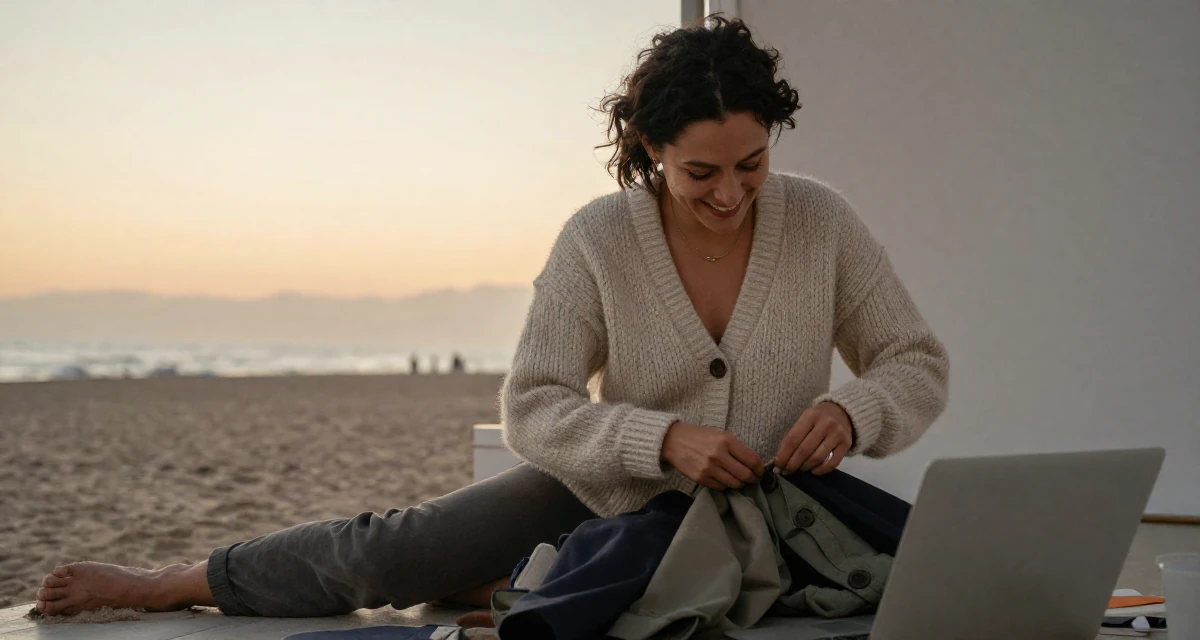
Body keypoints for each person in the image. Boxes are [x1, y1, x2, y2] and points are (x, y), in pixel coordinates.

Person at [32, 16, 948, 618]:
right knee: (394, 556)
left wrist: (854, 410)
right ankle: (174, 581)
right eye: (699, 173)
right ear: (650, 150)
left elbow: (913, 360)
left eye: (751, 164)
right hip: (606, 491)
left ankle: (518, 585)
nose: (731, 194)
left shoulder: (821, 222)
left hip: (776, 513)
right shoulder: (598, 238)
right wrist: (660, 439)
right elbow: (534, 404)